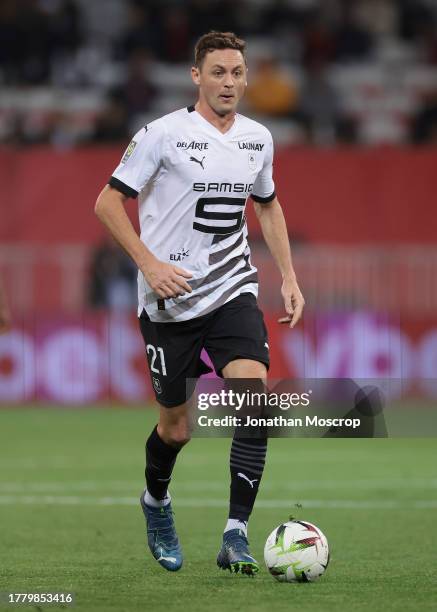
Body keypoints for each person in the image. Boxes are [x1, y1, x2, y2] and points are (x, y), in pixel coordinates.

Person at [95, 31, 304, 576]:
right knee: (176, 429)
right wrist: (149, 264)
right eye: (218, 72)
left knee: (255, 401)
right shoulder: (161, 135)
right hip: (170, 301)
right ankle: (156, 502)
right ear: (197, 76)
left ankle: (236, 534)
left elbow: (269, 205)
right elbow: (108, 203)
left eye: (237, 72)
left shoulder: (259, 138)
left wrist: (288, 276)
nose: (229, 82)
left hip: (233, 287)